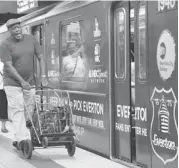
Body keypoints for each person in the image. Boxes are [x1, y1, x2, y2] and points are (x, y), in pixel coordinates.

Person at [0, 18, 48, 150]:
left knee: (29, 108)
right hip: (12, 83)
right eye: (14, 29)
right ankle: (23, 140)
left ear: (21, 28)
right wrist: (21, 82)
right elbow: (8, 66)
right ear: (9, 31)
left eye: (18, 27)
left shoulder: (31, 40)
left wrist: (43, 75)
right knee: (18, 109)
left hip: (30, 82)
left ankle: (18, 135)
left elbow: (41, 57)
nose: (17, 30)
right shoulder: (5, 44)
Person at [0, 61, 8, 133]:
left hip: (1, 89)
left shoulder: (2, 64)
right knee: (3, 108)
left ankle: (3, 126)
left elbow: (5, 75)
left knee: (3, 108)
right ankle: (3, 127)